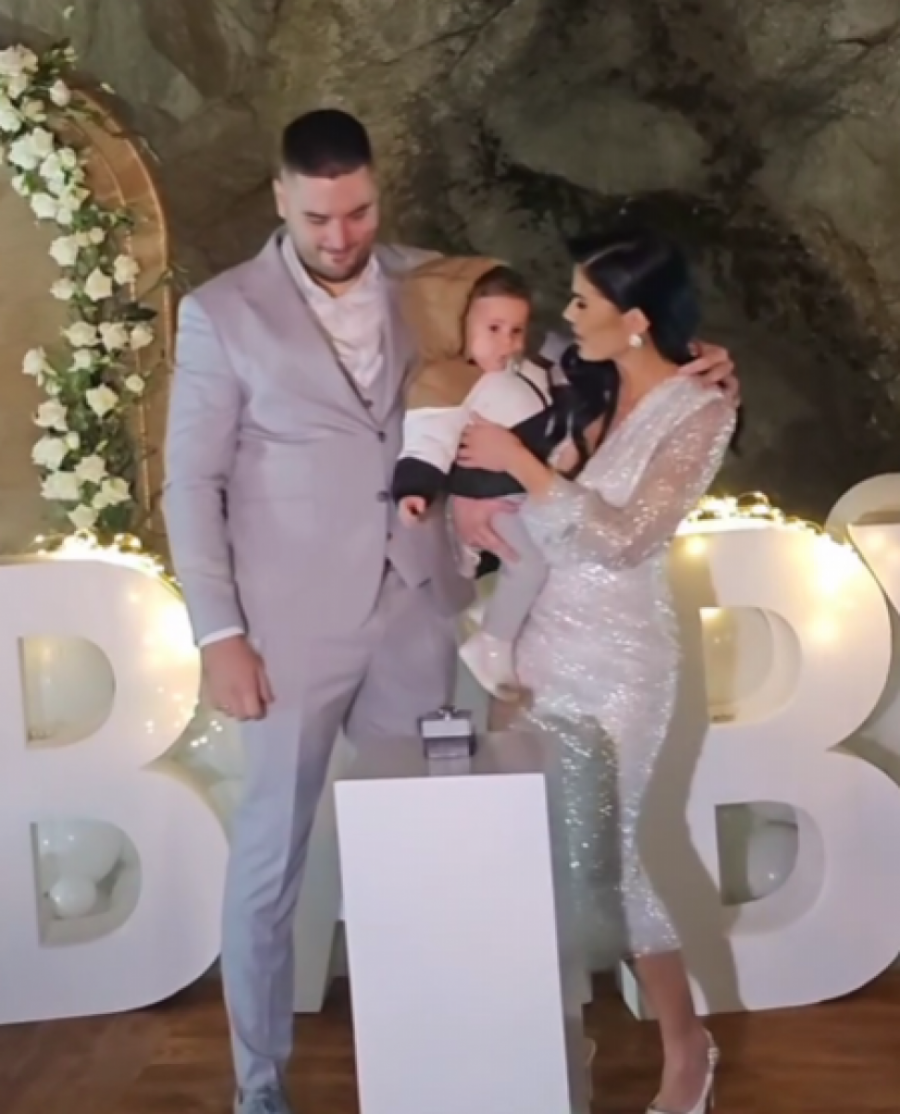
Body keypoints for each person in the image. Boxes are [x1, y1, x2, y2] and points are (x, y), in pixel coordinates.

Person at [163, 105, 738, 1114]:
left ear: (376, 191)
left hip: (419, 613)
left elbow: (561, 345)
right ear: (281, 199)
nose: (341, 235)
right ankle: (260, 1089)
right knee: (269, 859)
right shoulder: (221, 312)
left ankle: (435, 1070)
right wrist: (220, 634)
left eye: (358, 212)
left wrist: (690, 354)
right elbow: (190, 483)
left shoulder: (436, 278)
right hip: (289, 631)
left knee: (430, 853)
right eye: (318, 217)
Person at [457, 225, 737, 1114]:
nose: (567, 314)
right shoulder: (584, 376)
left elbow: (624, 538)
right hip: (534, 651)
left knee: (610, 859)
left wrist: (520, 465)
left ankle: (687, 1049)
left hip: (620, 662)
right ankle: (549, 1033)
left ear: (635, 319)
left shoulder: (702, 411)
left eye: (584, 301)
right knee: (525, 846)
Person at [394, 257, 560, 698]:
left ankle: (497, 621)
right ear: (457, 324)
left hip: (525, 492)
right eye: (494, 328)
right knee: (529, 565)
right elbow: (427, 438)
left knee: (538, 566)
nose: (507, 342)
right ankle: (492, 644)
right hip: (495, 497)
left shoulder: (526, 369)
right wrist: (414, 488)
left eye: (516, 330)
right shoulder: (447, 381)